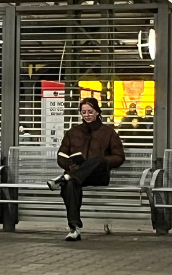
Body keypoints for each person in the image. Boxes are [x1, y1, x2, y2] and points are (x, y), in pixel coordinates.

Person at [47, 97, 125, 241]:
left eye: (90, 111)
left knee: (99, 160)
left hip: (98, 176)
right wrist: (69, 165)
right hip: (77, 176)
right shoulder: (73, 132)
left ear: (97, 112)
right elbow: (61, 155)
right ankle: (74, 228)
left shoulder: (108, 133)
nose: (87, 115)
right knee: (70, 184)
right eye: (84, 112)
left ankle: (66, 177)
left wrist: (101, 161)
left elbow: (119, 157)